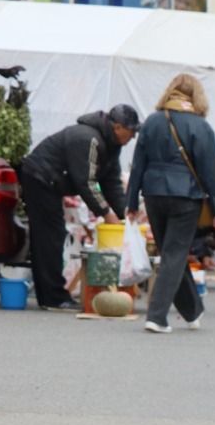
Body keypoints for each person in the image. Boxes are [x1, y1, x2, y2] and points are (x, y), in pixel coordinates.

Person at [126, 74, 215, 334]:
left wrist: (131, 200)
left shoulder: (152, 122)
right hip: (186, 196)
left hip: (153, 194)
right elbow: (211, 171)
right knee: (174, 253)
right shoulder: (200, 126)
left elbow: (138, 163)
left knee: (170, 252)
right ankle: (157, 316)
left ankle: (192, 310)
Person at [19, 103, 138, 309]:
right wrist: (106, 212)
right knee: (50, 236)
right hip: (40, 178)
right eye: (131, 131)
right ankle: (53, 298)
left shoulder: (111, 146)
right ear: (117, 127)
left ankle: (51, 294)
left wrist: (125, 213)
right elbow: (86, 182)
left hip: (52, 182)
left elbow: (112, 184)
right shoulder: (88, 139)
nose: (133, 136)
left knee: (52, 235)